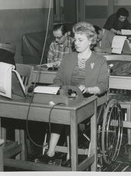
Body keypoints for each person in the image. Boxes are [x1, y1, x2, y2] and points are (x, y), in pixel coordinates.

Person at [34, 22, 109, 165]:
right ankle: (51, 152)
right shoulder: (68, 58)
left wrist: (88, 89)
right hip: (68, 98)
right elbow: (59, 79)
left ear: (91, 41)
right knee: (58, 110)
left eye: (80, 40)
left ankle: (71, 156)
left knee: (66, 111)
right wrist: (49, 89)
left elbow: (103, 86)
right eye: (75, 39)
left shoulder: (99, 60)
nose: (76, 43)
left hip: (90, 100)